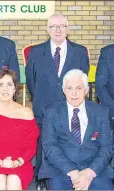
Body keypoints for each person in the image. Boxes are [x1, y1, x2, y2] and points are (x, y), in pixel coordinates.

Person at [25, 13, 89, 177]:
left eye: (61, 26)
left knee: (69, 145)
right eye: (53, 26)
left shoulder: (80, 52)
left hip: (70, 108)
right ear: (48, 29)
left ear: (68, 29)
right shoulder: (36, 51)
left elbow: (82, 81)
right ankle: (41, 175)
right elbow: (31, 81)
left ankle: (72, 174)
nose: (57, 30)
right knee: (44, 145)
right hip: (43, 109)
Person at [39, 69, 113, 190]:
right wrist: (71, 171)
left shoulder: (101, 112)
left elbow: (106, 147)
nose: (74, 93)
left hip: (94, 171)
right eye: (69, 88)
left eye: (78, 88)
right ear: (63, 90)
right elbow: (49, 146)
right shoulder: (51, 112)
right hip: (60, 170)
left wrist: (89, 172)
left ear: (86, 90)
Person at [0, 69, 39, 190]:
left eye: (9, 84)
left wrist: (17, 162)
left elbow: (31, 147)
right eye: (0, 85)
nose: (5, 89)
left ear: (15, 89)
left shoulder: (27, 113)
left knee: (14, 180)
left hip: (20, 163)